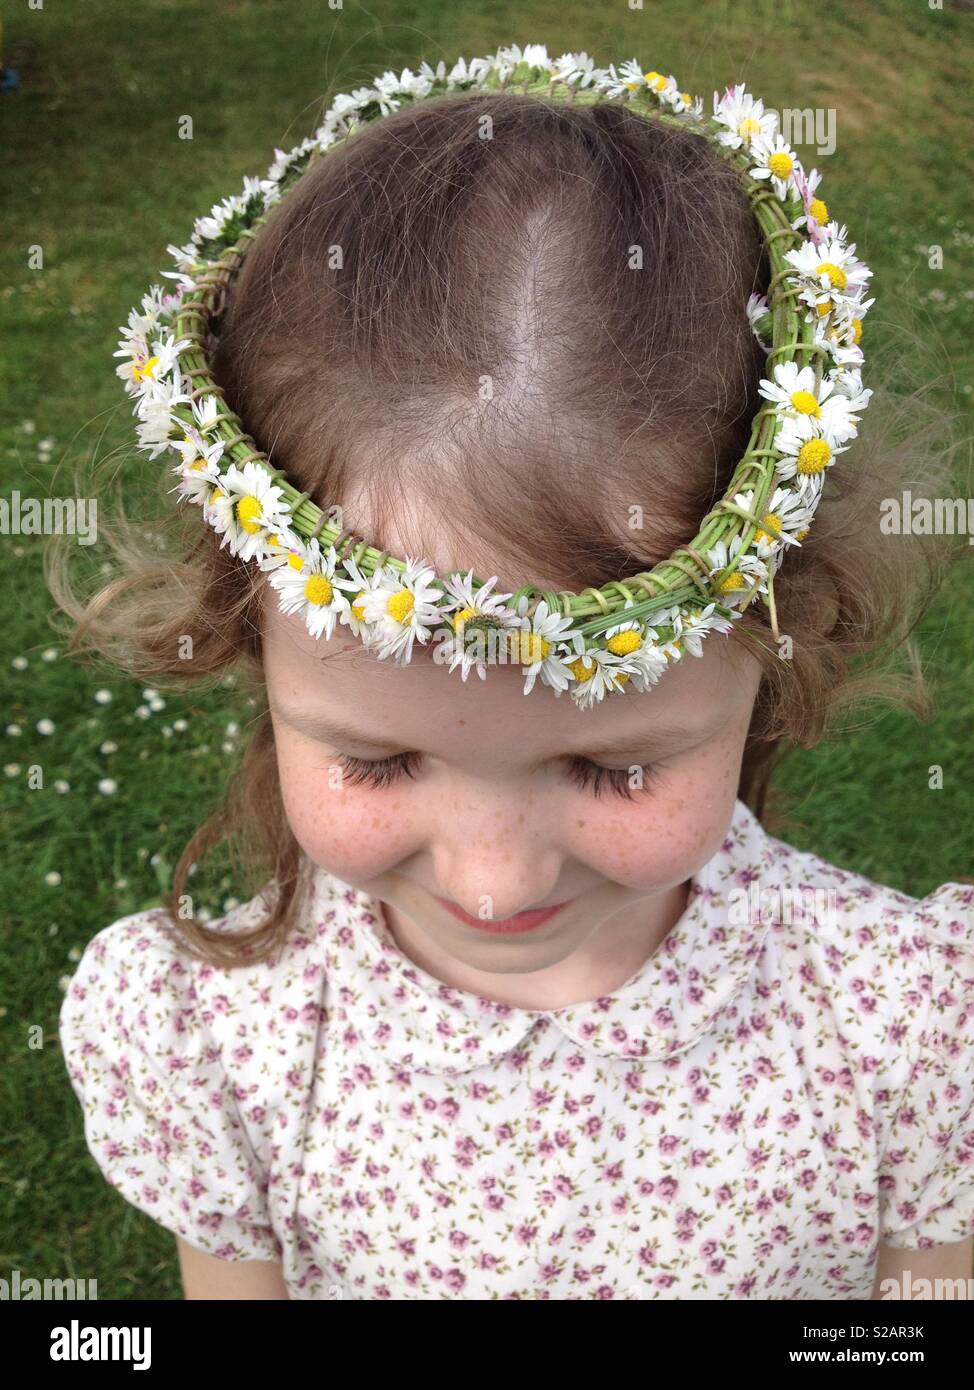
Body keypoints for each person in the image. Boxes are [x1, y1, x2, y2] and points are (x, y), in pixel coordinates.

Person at [51, 47, 973, 1300]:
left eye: (612, 764)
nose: (494, 879)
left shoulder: (907, 1034)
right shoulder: (219, 1042)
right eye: (374, 758)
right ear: (246, 638)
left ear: (778, 632)